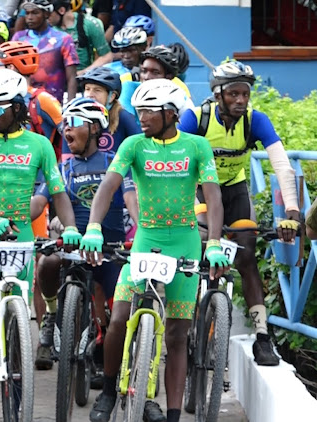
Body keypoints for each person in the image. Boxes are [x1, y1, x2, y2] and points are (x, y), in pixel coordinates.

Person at [83, 78, 229, 422]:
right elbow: (108, 186)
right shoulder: (133, 144)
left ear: (171, 114)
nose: (141, 117)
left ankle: (173, 413)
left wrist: (215, 243)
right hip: (147, 239)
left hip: (186, 242)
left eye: (149, 111)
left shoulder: (196, 147)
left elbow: (213, 197)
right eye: (140, 110)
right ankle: (107, 391)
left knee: (177, 334)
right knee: (119, 318)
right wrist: (92, 226)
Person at [0, 68, 80, 422]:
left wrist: (71, 229)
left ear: (19, 108)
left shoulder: (39, 145)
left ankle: (18, 404)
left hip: (20, 242)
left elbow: (58, 193)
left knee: (20, 325)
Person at [178, 60, 301, 367]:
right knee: (205, 243)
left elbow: (282, 165)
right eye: (233, 94)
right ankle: (187, 322)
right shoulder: (195, 119)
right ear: (218, 94)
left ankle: (262, 336)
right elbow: (174, 161)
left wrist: (293, 212)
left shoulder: (255, 121)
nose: (240, 101)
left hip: (234, 190)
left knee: (246, 255)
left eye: (245, 94)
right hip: (198, 191)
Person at [31, 97, 137, 374]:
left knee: (121, 315)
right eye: (65, 123)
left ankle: (112, 356)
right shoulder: (62, 168)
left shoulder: (115, 163)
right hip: (73, 246)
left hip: (111, 248)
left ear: (95, 129)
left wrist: (143, 230)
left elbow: (130, 196)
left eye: (75, 123)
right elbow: (39, 203)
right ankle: (52, 313)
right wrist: (10, 218)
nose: (67, 129)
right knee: (48, 263)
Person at [0, 40, 63, 156]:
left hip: (39, 167)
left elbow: (69, 131)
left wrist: (64, 163)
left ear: (10, 67)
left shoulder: (42, 99)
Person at [12, 0, 79, 103]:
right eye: (27, 13)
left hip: (54, 102)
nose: (29, 17)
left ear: (46, 14)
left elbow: (72, 77)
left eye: (35, 13)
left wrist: (71, 107)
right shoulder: (19, 38)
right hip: (24, 103)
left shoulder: (64, 39)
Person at [71, 66, 140, 157]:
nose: (90, 95)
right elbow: (67, 159)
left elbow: (141, 149)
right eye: (87, 89)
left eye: (97, 90)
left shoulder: (123, 117)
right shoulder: (75, 117)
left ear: (112, 96)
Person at [50, 0, 112, 74]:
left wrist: (84, 72)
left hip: (82, 76)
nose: (46, 17)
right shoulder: (47, 28)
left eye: (49, 14)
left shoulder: (89, 24)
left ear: (61, 10)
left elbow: (107, 56)